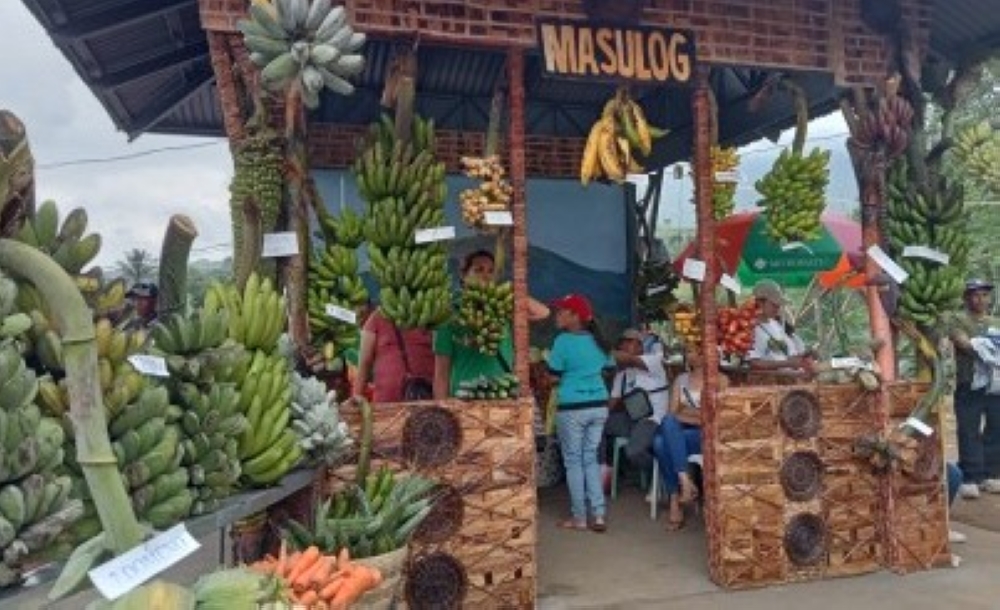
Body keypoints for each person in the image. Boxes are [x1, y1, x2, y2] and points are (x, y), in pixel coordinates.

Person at [433, 249, 549, 398]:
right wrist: (441, 405)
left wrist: (514, 291)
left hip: (502, 393)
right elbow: (441, 371)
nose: (486, 276)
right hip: (465, 396)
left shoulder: (500, 305)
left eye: (491, 271)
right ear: (463, 275)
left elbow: (542, 313)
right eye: (478, 270)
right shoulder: (449, 313)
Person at [547, 293, 613, 533]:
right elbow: (609, 368)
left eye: (561, 311)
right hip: (599, 405)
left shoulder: (562, 341)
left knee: (574, 462)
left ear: (575, 316)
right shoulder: (600, 341)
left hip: (572, 407)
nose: (557, 315)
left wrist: (568, 378)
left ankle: (579, 518)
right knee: (590, 459)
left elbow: (553, 376)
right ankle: (599, 515)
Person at [653, 342, 729, 530]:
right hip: (681, 434)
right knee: (664, 432)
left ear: (706, 354)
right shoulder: (681, 379)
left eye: (693, 351)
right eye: (687, 351)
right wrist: (698, 416)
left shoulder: (720, 380)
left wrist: (689, 415)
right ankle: (683, 483)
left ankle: (677, 495)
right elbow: (671, 413)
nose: (689, 355)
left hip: (705, 437)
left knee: (661, 442)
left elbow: (717, 418)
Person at [948, 278, 1000, 499]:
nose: (980, 299)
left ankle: (991, 474)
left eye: (984, 294)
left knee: (996, 428)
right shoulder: (958, 320)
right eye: (975, 294)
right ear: (966, 298)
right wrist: (986, 347)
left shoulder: (996, 321)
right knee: (968, 430)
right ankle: (970, 477)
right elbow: (962, 342)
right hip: (968, 383)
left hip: (995, 384)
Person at [603, 328, 669, 477]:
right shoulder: (622, 375)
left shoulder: (653, 361)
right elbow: (611, 404)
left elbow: (630, 359)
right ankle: (607, 469)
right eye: (622, 343)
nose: (624, 346)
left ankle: (659, 472)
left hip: (652, 420)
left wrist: (598, 351)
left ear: (640, 346)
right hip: (630, 419)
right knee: (595, 425)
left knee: (633, 452)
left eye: (629, 342)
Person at [353, 306, 434, 403]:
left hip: (425, 396)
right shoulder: (377, 318)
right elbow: (364, 363)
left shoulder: (429, 314)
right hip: (387, 402)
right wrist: (356, 396)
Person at [746, 279, 815, 376]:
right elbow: (754, 363)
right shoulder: (749, 328)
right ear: (760, 303)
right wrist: (787, 363)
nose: (777, 308)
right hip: (769, 381)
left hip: (790, 378)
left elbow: (790, 356)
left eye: (779, 305)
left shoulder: (776, 324)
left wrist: (803, 357)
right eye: (774, 305)